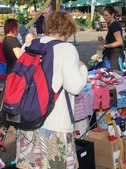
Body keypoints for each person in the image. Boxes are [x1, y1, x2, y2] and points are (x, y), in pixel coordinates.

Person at [15, 11, 88, 169]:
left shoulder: (28, 45)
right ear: (67, 30)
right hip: (56, 123)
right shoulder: (66, 49)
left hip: (28, 120)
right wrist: (83, 68)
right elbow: (75, 87)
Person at [97, 6, 125, 71]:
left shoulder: (115, 25)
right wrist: (102, 40)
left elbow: (119, 42)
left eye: (107, 15)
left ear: (112, 15)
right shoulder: (112, 25)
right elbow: (111, 43)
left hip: (116, 56)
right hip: (112, 55)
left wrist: (104, 46)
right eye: (103, 15)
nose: (104, 17)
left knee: (115, 76)